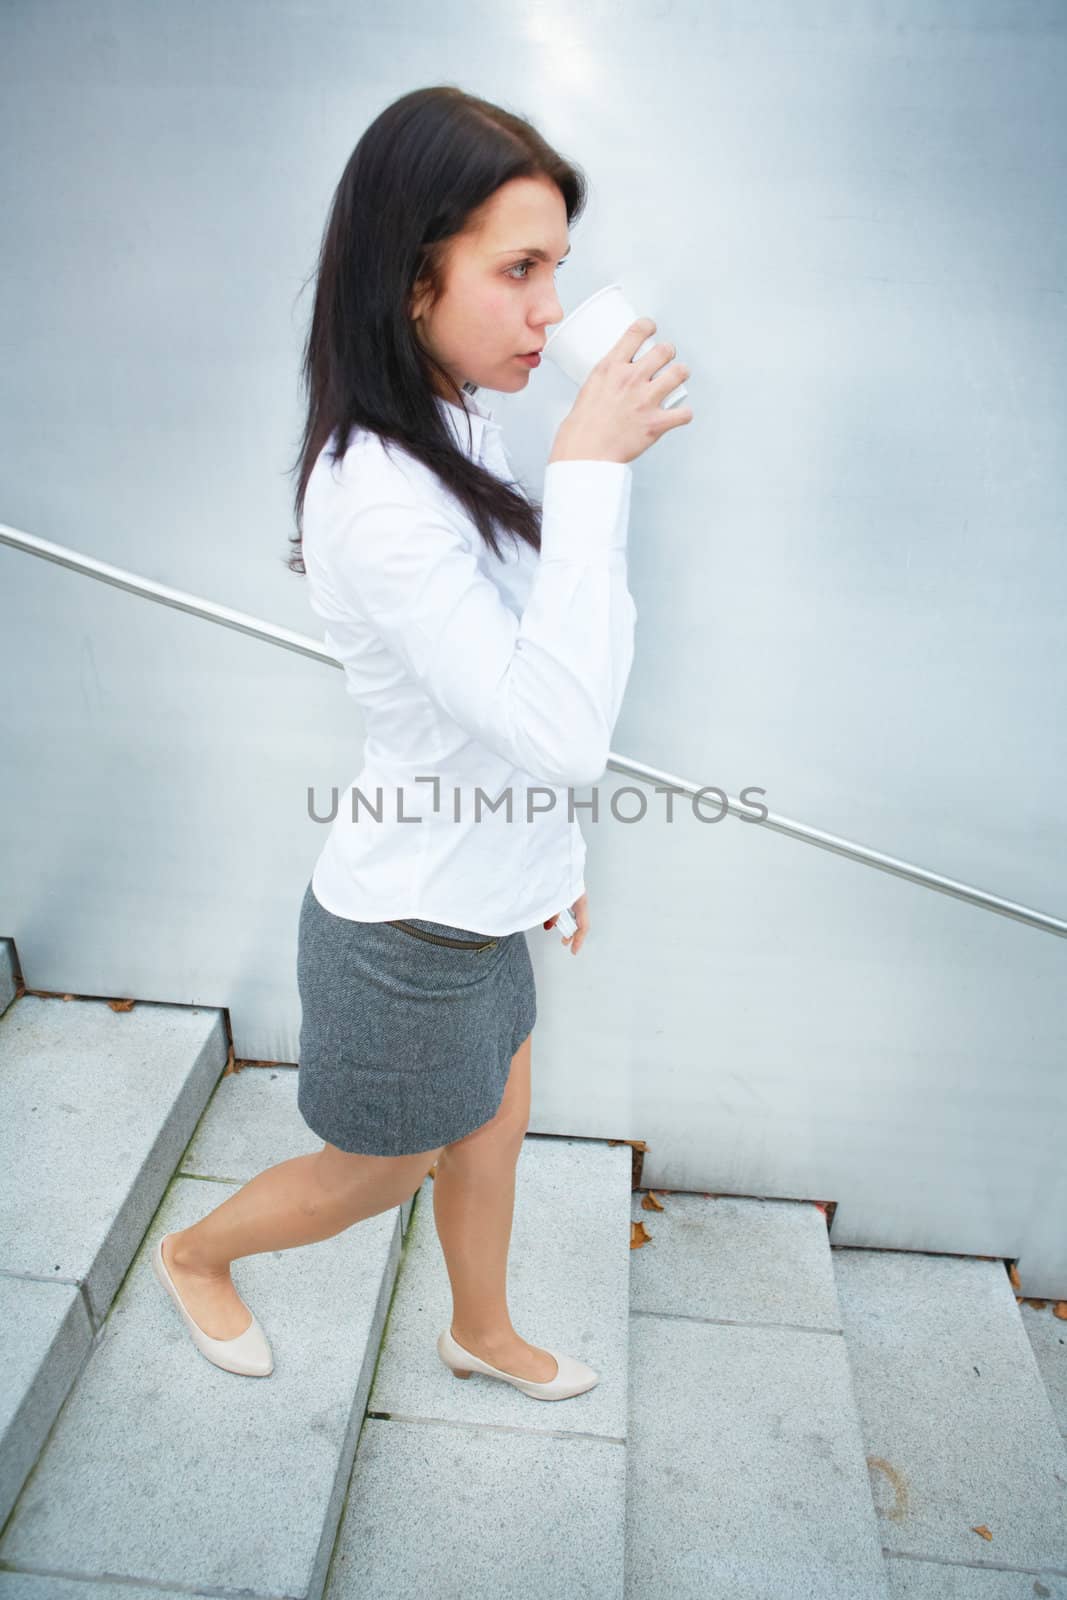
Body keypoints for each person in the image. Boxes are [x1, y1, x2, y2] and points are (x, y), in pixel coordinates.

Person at [152, 85, 691, 1397]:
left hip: (486, 903)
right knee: (371, 1173)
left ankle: (480, 1332)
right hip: (400, 936)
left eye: (555, 268)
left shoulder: (453, 425)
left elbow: (534, 695)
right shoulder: (377, 496)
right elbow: (563, 728)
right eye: (519, 270)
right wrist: (593, 475)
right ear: (410, 279)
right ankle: (194, 1256)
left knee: (496, 1135)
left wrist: (553, 865)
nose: (552, 312)